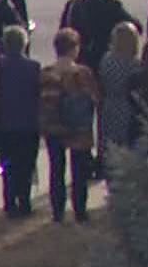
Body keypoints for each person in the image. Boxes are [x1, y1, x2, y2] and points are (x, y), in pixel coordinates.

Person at [38, 29, 99, 224]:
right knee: (79, 171)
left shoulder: (47, 73)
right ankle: (80, 210)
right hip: (78, 128)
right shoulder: (83, 73)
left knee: (57, 169)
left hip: (54, 127)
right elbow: (95, 98)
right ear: (74, 48)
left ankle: (58, 211)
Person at [0, 26, 43, 218]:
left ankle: (9, 200)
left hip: (5, 122)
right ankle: (24, 200)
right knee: (26, 164)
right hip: (28, 123)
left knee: (8, 164)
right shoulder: (33, 67)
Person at [58, 0, 138, 79]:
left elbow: (63, 35)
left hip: (79, 61)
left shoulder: (73, 6)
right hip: (105, 64)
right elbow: (136, 27)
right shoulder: (113, 6)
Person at [97, 23, 143, 153]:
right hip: (127, 107)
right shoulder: (135, 64)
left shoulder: (106, 60)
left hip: (109, 106)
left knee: (110, 145)